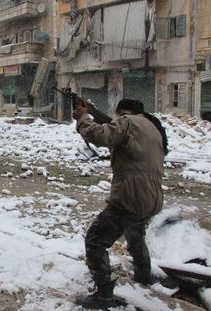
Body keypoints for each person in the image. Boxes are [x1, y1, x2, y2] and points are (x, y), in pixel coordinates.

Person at [72, 98, 168, 309]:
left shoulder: (127, 122)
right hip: (151, 199)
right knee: (135, 234)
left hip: (130, 198)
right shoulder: (151, 126)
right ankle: (144, 275)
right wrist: (94, 113)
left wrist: (82, 118)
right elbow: (113, 129)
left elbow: (101, 136)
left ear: (122, 112)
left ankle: (103, 294)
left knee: (95, 240)